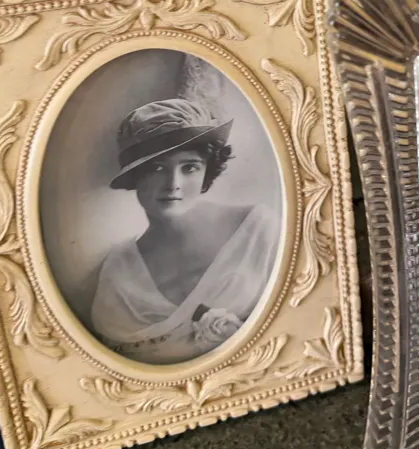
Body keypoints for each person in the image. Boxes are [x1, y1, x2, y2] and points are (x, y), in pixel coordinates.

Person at [90, 97, 279, 364]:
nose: (173, 184)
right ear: (135, 176)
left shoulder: (258, 231)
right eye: (157, 168)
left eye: (190, 167)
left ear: (207, 172)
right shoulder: (119, 272)